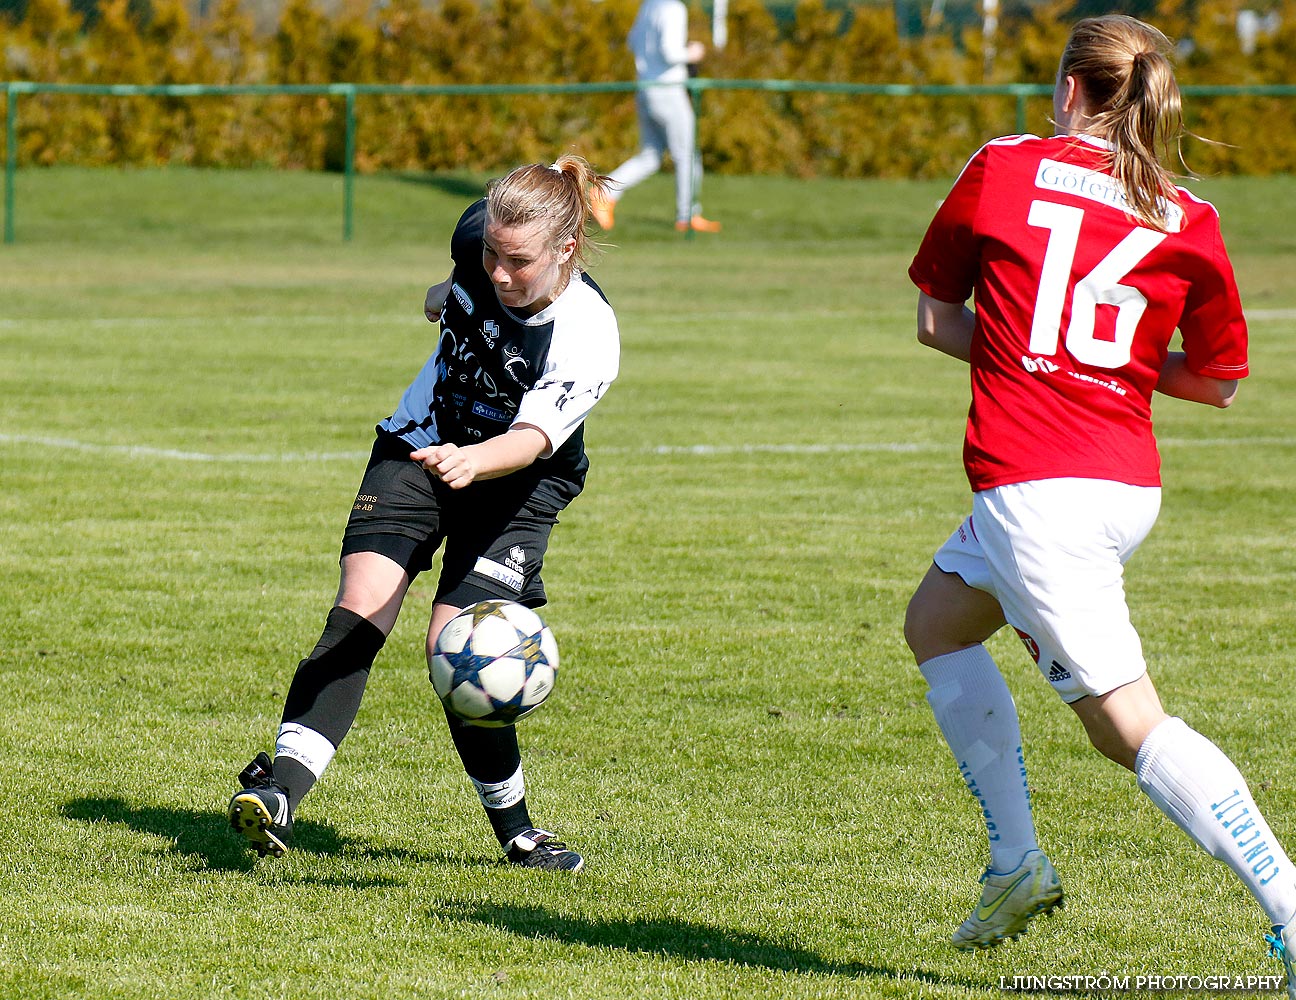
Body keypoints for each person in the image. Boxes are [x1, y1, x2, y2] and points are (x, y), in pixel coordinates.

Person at [903, 14, 1296, 989]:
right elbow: (1217, 381)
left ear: (1073, 90)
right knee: (937, 625)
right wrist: (1106, 365)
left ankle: (1292, 903)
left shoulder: (1003, 165)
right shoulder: (1185, 215)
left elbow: (934, 318)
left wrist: (1034, 359)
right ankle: (1015, 866)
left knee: (1128, 727)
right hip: (1120, 480)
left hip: (1035, 487)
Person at [228, 155, 620, 872]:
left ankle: (518, 834)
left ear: (566, 250)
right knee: (360, 607)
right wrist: (447, 290)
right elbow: (457, 284)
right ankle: (280, 792)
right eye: (490, 255)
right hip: (421, 442)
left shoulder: (588, 333)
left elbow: (533, 438)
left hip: (519, 484)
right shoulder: (477, 235)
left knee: (462, 646)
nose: (499, 273)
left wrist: (476, 461)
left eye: (519, 262)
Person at [590, 0, 721, 234]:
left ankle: (605, 191)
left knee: (650, 156)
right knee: (687, 155)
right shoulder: (674, 8)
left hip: (646, 88)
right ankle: (687, 216)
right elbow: (670, 52)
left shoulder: (649, 5)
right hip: (669, 90)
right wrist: (692, 53)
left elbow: (632, 42)